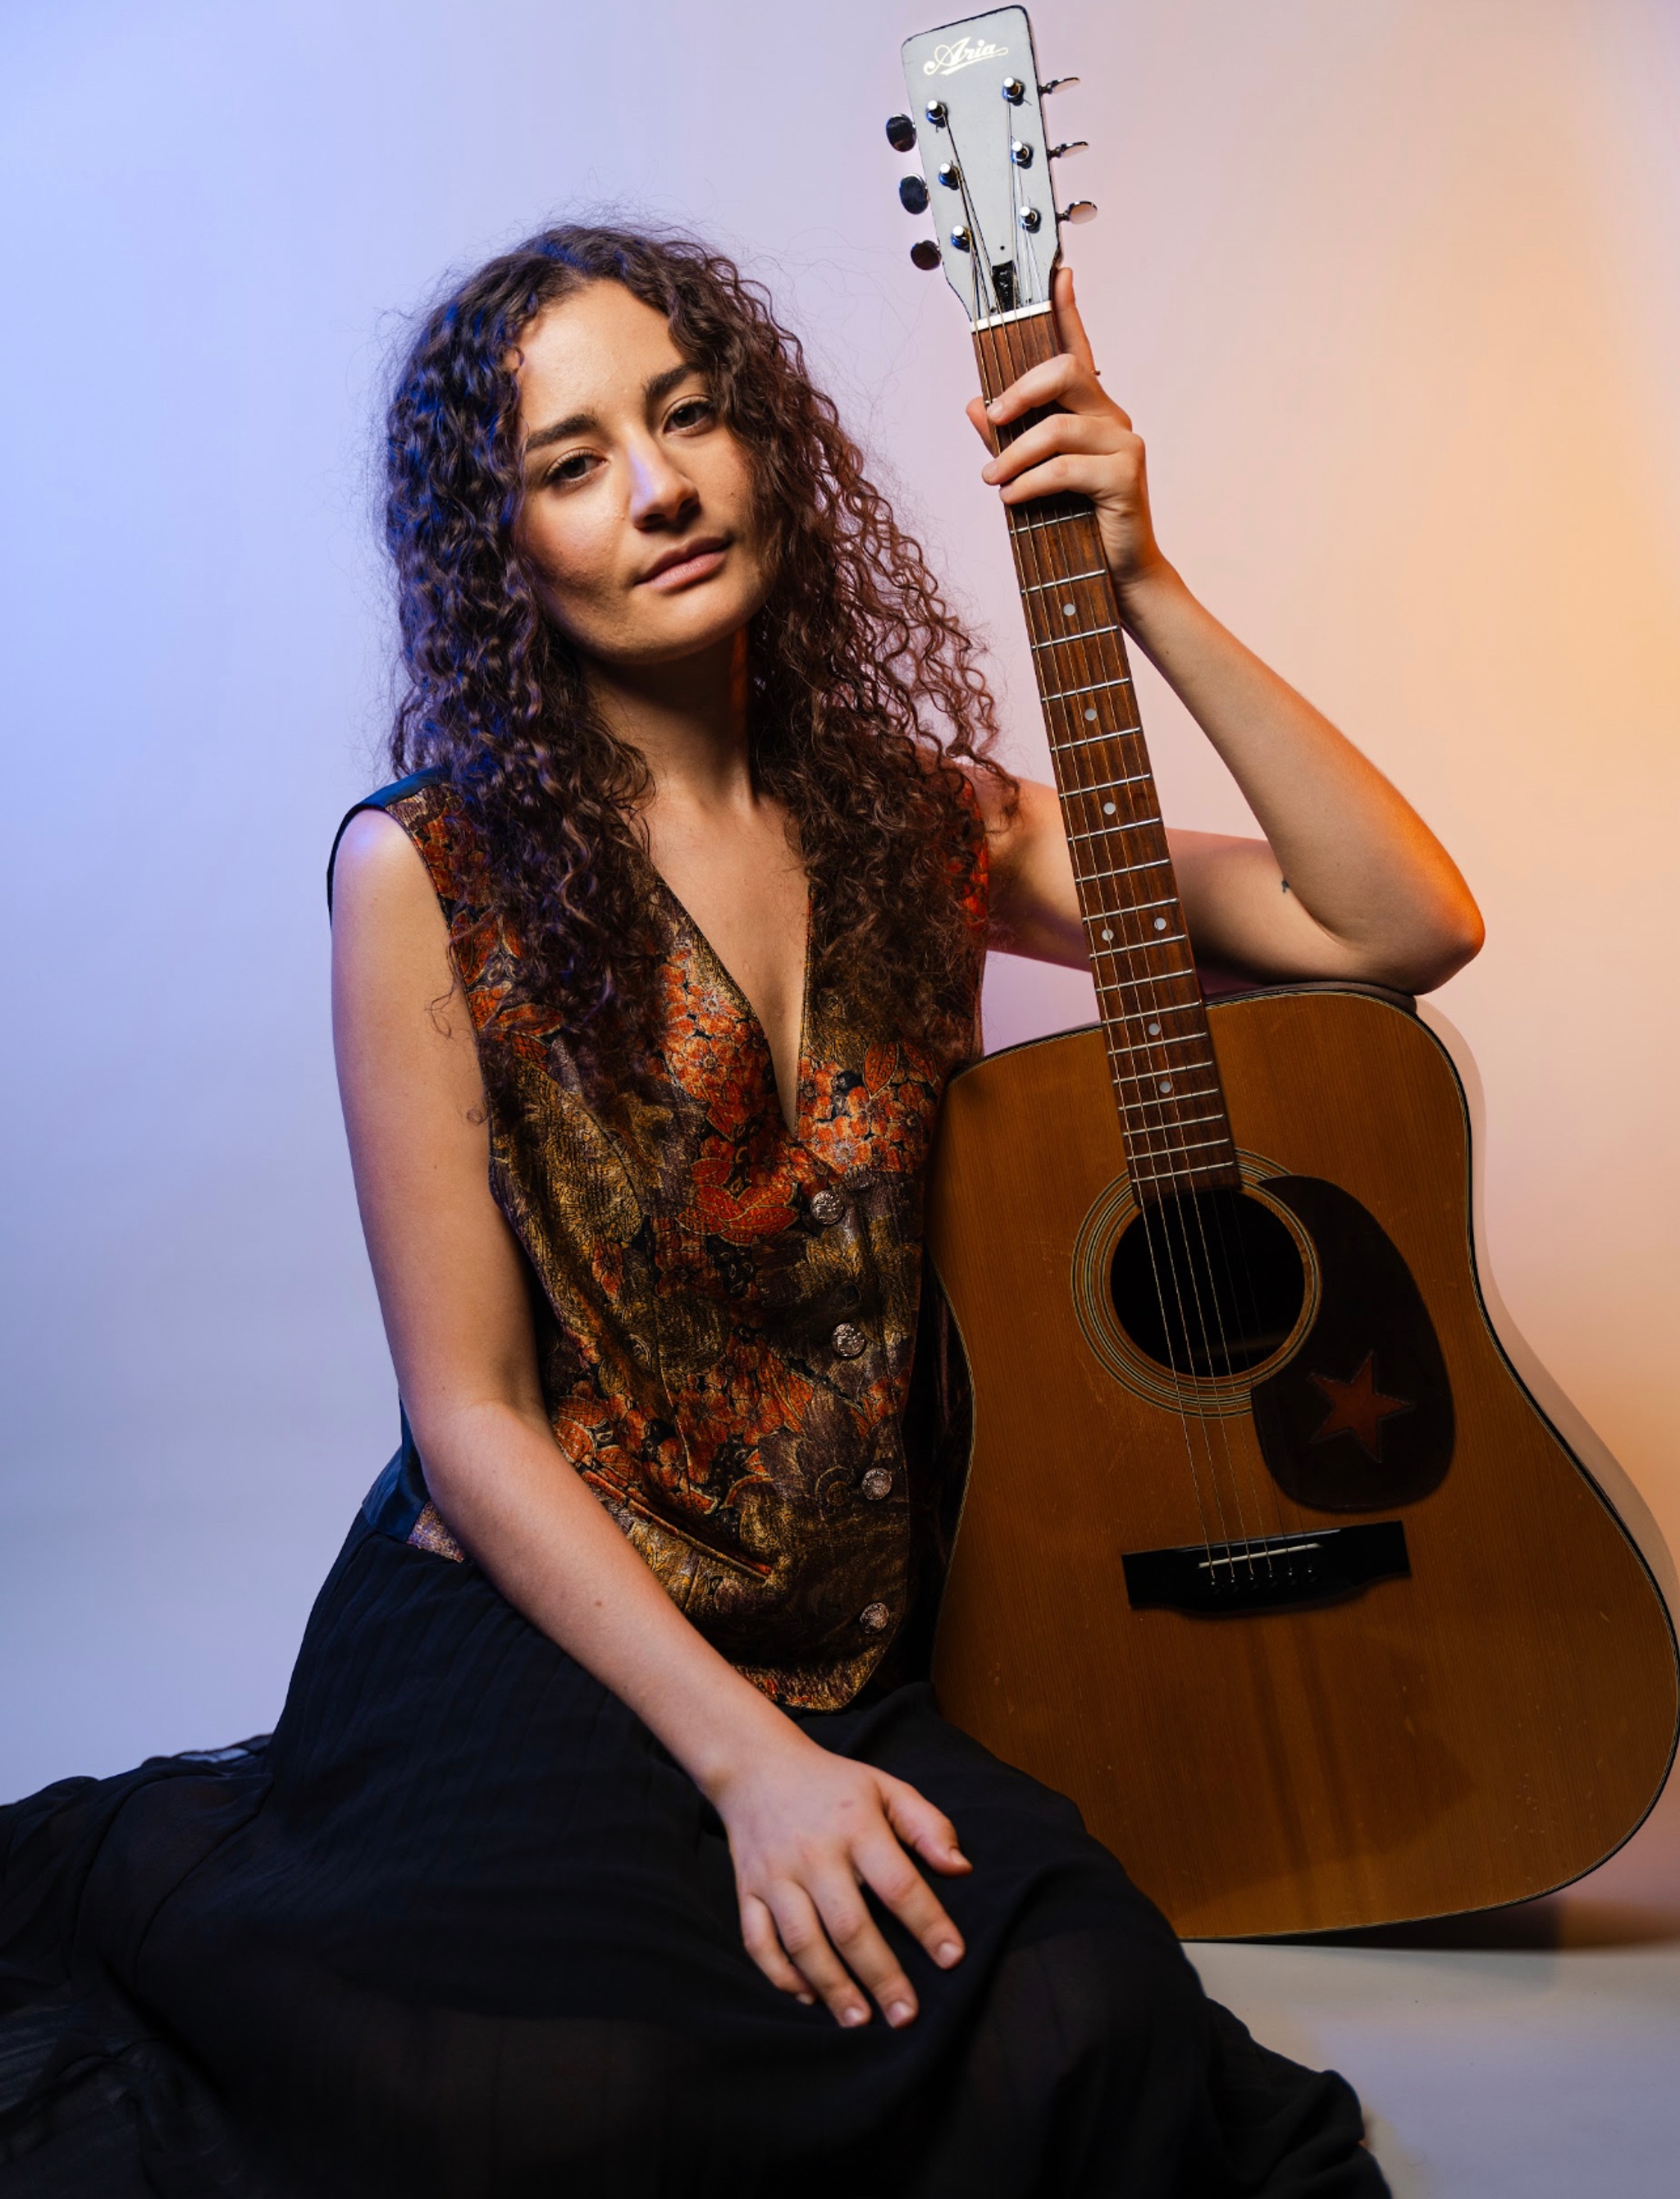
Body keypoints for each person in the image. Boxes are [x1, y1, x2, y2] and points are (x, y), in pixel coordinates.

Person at [0, 224, 1480, 2197]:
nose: (664, 489)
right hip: (531, 1614)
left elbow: (1395, 923)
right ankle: (196, 1882)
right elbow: (469, 1418)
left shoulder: (916, 820)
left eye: (687, 417)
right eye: (573, 461)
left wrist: (1143, 587)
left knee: (1093, 2030)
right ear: (500, 546)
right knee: (569, 2113)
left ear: (764, 442)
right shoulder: (426, 875)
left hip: (858, 1629)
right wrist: (753, 1769)